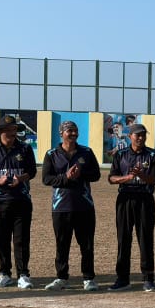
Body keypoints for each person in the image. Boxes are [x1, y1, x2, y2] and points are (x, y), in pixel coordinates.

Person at [42, 121, 101, 291]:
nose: (73, 134)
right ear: (61, 133)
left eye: (75, 131)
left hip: (84, 206)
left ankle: (88, 278)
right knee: (62, 244)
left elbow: (96, 175)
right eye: (69, 131)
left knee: (87, 245)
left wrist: (81, 173)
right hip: (61, 207)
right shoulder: (52, 154)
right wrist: (66, 177)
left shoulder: (86, 152)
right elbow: (46, 179)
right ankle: (61, 278)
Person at [0, 115, 37, 289]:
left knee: (21, 240)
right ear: (0, 132)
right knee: (1, 239)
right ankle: (4, 274)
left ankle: (23, 275)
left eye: (14, 129)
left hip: (21, 201)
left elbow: (32, 171)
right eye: (8, 130)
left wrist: (20, 178)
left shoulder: (25, 149)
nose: (12, 133)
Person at [107, 123, 155, 291]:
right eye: (137, 135)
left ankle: (148, 278)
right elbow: (111, 178)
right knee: (123, 239)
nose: (141, 138)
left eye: (143, 135)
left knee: (145, 239)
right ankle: (122, 279)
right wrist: (128, 177)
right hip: (125, 199)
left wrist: (141, 175)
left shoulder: (153, 154)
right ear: (130, 136)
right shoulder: (120, 154)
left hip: (145, 199)